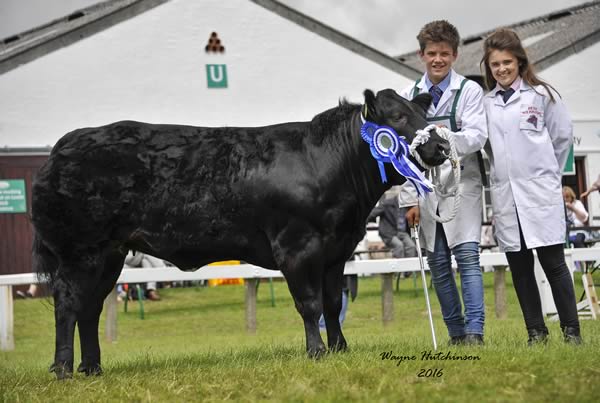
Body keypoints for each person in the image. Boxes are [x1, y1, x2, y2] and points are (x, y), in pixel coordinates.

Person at [481, 28, 582, 345]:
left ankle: (572, 331)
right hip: (507, 198)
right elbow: (485, 146)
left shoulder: (543, 96)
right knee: (520, 268)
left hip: (540, 194)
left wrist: (548, 175)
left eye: (507, 62)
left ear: (520, 62)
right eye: (495, 65)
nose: (501, 70)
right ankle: (536, 332)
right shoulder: (486, 103)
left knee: (554, 264)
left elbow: (562, 138)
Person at [398, 20, 488, 345]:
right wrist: (409, 199)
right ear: (421, 54)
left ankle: (475, 332)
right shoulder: (408, 95)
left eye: (445, 54)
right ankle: (456, 333)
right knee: (437, 263)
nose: (438, 59)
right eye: (432, 53)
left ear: (455, 55)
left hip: (463, 185)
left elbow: (477, 136)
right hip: (425, 189)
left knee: (467, 257)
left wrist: (441, 137)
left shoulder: (469, 91)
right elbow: (403, 153)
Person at [368, 193, 417, 261]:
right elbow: (372, 214)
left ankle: (409, 270)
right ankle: (400, 269)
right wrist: (361, 222)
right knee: (399, 246)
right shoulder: (387, 204)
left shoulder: (408, 205)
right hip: (389, 233)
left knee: (412, 246)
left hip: (402, 232)